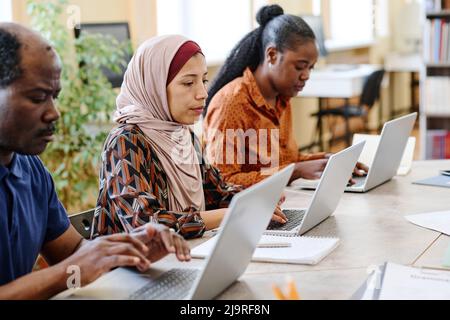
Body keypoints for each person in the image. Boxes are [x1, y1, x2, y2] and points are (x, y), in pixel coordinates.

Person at [0, 23, 190, 300]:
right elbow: (71, 267)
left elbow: (71, 251)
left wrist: (123, 250)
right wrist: (72, 270)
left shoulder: (30, 169)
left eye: (55, 97)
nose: (54, 113)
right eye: (38, 97)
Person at [92, 35, 288, 240]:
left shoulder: (183, 135)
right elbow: (143, 223)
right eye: (188, 83)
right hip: (132, 268)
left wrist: (254, 201)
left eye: (203, 80)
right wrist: (232, 214)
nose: (202, 93)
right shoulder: (126, 141)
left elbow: (217, 192)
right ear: (154, 86)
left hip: (186, 255)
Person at [203, 5, 368, 188]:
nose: (306, 76)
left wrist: (329, 160)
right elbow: (222, 182)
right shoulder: (232, 104)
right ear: (272, 55)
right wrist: (295, 171)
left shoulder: (281, 98)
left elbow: (286, 160)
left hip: (282, 200)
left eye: (310, 67)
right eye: (299, 66)